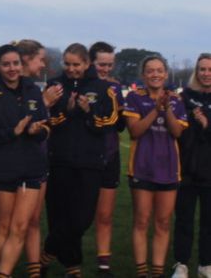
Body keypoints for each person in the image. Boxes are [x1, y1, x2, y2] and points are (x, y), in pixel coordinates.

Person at [41, 43, 117, 277]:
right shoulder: (55, 85)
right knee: (59, 215)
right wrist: (67, 111)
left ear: (86, 64)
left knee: (82, 218)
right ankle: (72, 266)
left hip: (90, 163)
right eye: (68, 64)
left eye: (76, 64)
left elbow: (111, 122)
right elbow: (45, 122)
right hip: (59, 160)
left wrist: (88, 113)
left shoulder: (104, 88)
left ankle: (46, 253)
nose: (72, 69)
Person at [0, 45, 49, 278]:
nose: (12, 68)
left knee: (20, 227)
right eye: (6, 64)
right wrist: (14, 131)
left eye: (15, 63)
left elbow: (46, 127)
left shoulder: (33, 90)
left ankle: (2, 274)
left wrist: (36, 130)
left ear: (22, 65)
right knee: (4, 225)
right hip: (1, 166)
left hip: (31, 167)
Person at [124, 55, 187, 278]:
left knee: (162, 222)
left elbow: (177, 132)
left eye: (159, 70)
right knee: (141, 221)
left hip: (169, 169)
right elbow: (135, 131)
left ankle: (157, 271)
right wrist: (155, 109)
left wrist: (166, 108)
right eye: (150, 70)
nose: (155, 74)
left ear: (166, 74)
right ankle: (142, 271)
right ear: (143, 75)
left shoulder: (176, 101)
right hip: (142, 168)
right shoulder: (134, 97)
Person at [16, 39, 60, 278]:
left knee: (34, 220)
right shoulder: (14, 87)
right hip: (15, 163)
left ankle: (35, 272)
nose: (43, 64)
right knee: (11, 224)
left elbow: (43, 124)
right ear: (26, 58)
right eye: (40, 59)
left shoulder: (33, 87)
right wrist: (44, 103)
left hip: (39, 160)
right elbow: (14, 121)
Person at [172, 54, 211, 278]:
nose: (206, 73)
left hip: (210, 171)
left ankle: (206, 264)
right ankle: (181, 263)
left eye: (210, 69)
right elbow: (177, 131)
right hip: (186, 169)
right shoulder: (184, 96)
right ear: (196, 72)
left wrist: (207, 124)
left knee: (209, 221)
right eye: (202, 69)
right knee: (184, 219)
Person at [89, 42, 126, 278]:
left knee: (105, 215)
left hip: (110, 156)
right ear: (91, 62)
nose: (106, 69)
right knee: (76, 214)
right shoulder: (82, 85)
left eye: (109, 65)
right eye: (102, 64)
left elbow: (120, 125)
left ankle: (104, 266)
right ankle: (62, 260)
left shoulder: (115, 86)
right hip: (83, 157)